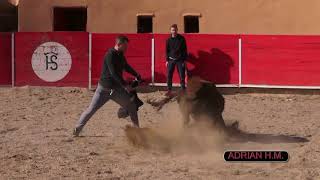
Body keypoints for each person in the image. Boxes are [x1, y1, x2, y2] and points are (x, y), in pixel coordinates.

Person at [73, 35, 142, 137]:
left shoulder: (120, 55)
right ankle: (77, 129)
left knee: (131, 106)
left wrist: (136, 74)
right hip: (104, 90)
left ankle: (137, 130)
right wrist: (125, 85)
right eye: (125, 46)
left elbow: (126, 66)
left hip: (116, 90)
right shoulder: (110, 55)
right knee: (91, 109)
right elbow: (113, 73)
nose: (127, 48)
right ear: (119, 44)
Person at [165, 24, 188, 96]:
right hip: (171, 60)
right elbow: (167, 50)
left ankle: (183, 90)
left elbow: (185, 50)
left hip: (180, 60)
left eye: (175, 30)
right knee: (169, 75)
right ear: (170, 31)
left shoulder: (182, 39)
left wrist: (184, 60)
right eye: (172, 30)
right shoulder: (168, 40)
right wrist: (167, 60)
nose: (174, 31)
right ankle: (169, 90)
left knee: (182, 75)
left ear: (177, 30)